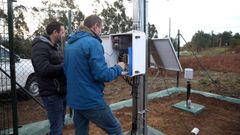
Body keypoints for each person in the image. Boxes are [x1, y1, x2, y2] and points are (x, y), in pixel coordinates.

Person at [64, 15, 126, 135]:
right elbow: (102, 75)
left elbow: (68, 71)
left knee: (81, 131)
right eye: (101, 28)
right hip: (90, 100)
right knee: (115, 129)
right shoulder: (93, 43)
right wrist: (118, 68)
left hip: (75, 100)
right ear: (95, 26)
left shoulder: (69, 44)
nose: (101, 31)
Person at [31, 21, 66, 135]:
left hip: (60, 91)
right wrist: (65, 66)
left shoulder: (54, 47)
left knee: (59, 123)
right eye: (62, 32)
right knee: (57, 126)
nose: (64, 35)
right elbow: (44, 69)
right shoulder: (40, 47)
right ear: (55, 32)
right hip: (51, 93)